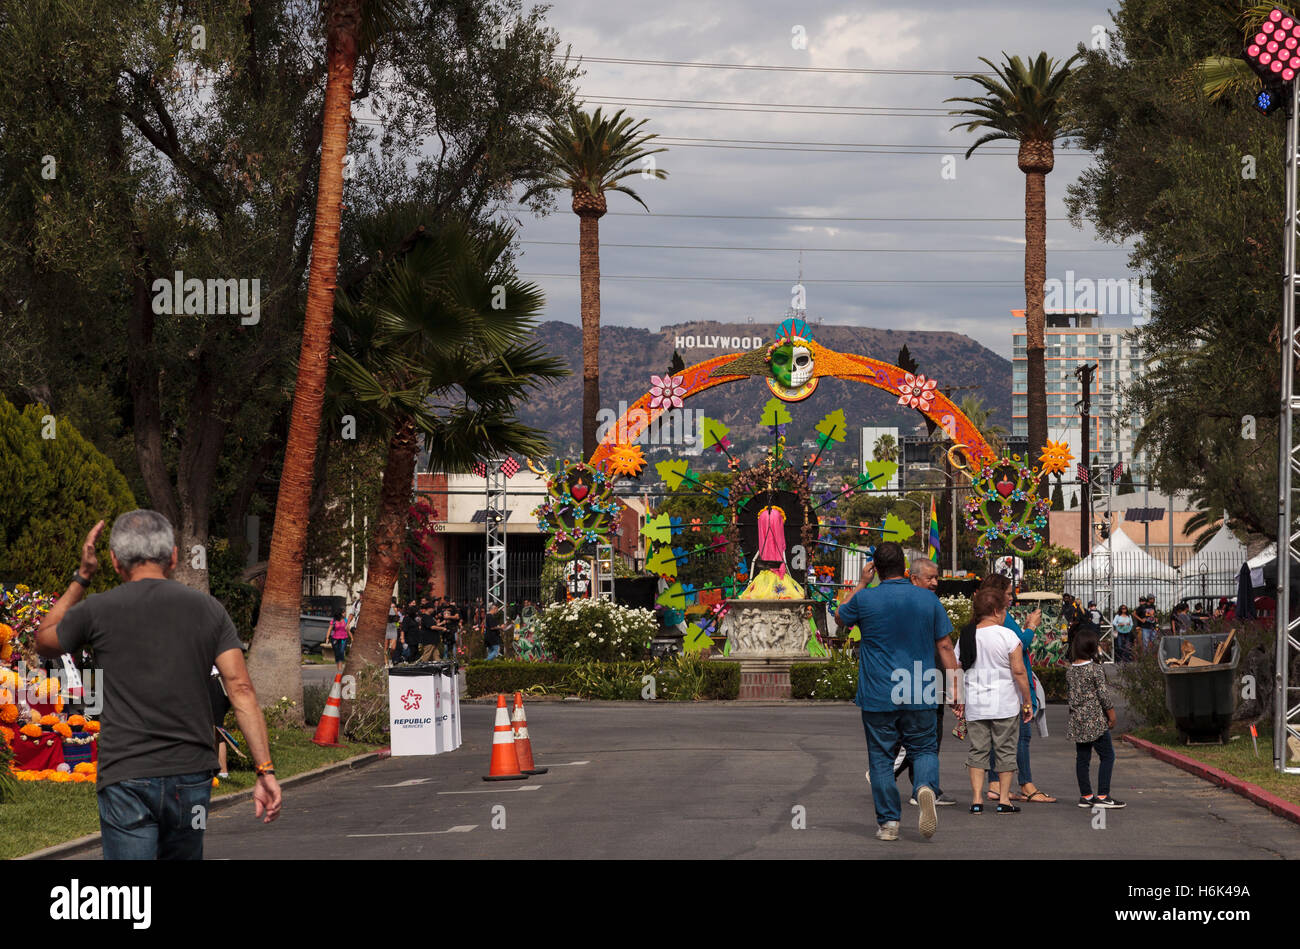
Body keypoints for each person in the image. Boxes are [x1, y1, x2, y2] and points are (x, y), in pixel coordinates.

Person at [35, 512, 281, 859]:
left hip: (126, 775)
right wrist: (265, 769)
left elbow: (43, 640)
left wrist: (82, 577)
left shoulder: (98, 610)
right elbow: (240, 689)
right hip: (191, 774)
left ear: (115, 560)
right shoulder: (209, 610)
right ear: (174, 557)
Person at [836, 542, 961, 842]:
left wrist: (862, 583)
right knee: (924, 748)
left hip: (879, 691)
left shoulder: (866, 599)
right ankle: (925, 788)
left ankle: (889, 823)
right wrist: (956, 687)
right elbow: (944, 645)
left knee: (881, 758)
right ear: (905, 569)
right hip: (921, 688)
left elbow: (841, 618)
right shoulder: (927, 600)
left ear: (876, 568)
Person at [958, 587, 1032, 814]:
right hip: (1005, 704)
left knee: (978, 751)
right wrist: (1027, 700)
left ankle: (977, 800)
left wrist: (958, 699)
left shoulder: (967, 635)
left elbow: (958, 668)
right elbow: (1019, 672)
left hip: (976, 704)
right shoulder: (1008, 636)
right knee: (1005, 751)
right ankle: (1004, 800)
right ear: (996, 610)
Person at [981, 574, 1054, 804]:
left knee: (997, 737)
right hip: (1013, 683)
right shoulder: (1003, 616)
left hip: (993, 683)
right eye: (1009, 593)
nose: (1012, 597)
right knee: (1023, 735)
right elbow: (1021, 644)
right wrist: (1031, 626)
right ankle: (1027, 784)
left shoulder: (987, 620)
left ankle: (994, 784)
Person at [893, 558, 958, 807]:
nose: (935, 582)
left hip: (927, 678)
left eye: (936, 577)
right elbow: (945, 644)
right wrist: (956, 685)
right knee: (924, 737)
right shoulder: (923, 604)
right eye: (930, 578)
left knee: (925, 736)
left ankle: (920, 785)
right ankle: (915, 783)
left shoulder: (914, 603)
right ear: (913, 578)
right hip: (921, 680)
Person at [1067, 627, 1124, 809]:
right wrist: (1112, 715)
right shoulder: (1095, 669)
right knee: (1108, 756)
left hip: (1078, 720)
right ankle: (1103, 795)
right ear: (1092, 647)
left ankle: (1086, 795)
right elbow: (1103, 696)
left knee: (1082, 758)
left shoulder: (1070, 671)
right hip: (1095, 720)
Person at [328, 606, 350, 672]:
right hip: (335, 639)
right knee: (337, 652)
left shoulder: (345, 620)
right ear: (340, 613)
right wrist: (327, 638)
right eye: (344, 612)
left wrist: (351, 637)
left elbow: (348, 630)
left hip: (344, 638)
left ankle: (340, 666)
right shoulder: (334, 620)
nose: (345, 614)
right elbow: (329, 629)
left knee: (341, 651)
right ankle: (338, 665)